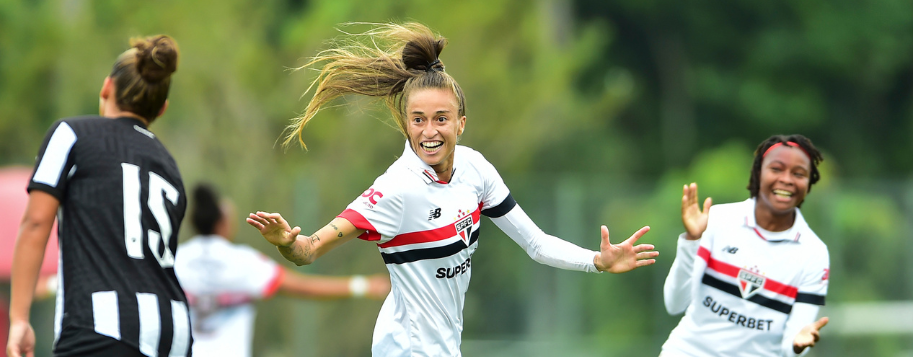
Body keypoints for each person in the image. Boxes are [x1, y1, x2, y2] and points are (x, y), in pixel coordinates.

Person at [244, 22, 659, 357]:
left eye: (441, 118)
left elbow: (536, 243)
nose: (429, 131)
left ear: (461, 122)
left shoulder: (475, 169)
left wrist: (597, 262)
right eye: (418, 119)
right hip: (404, 349)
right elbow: (310, 250)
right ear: (406, 124)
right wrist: (286, 243)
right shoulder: (395, 190)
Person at [7, 36, 191, 357]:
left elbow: (37, 222)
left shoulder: (72, 134)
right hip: (174, 330)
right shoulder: (168, 165)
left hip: (103, 326)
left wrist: (19, 319)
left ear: (106, 88)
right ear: (161, 108)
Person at [660, 135, 831, 357]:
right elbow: (675, 304)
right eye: (777, 169)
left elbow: (792, 344)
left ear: (809, 184)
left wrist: (797, 344)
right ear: (758, 173)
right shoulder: (717, 219)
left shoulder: (814, 254)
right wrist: (693, 240)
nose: (787, 179)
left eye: (798, 174)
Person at [173, 183, 390, 357]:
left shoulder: (177, 259)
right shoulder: (242, 261)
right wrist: (363, 286)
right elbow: (303, 288)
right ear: (222, 224)